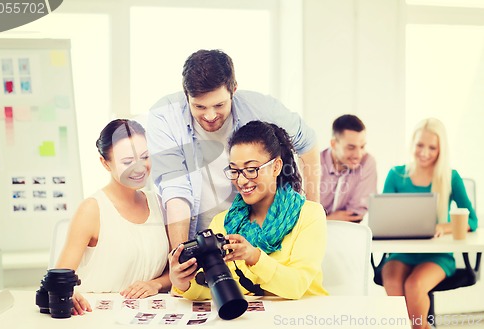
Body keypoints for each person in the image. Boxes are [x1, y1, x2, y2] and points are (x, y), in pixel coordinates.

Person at [147, 49, 320, 250]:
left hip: (259, 231)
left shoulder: (262, 109)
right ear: (186, 96)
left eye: (219, 105)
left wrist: (313, 213)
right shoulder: (165, 116)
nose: (210, 116)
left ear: (234, 90)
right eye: (199, 107)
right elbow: (175, 190)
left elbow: (308, 144)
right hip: (199, 232)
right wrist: (181, 254)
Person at [168, 121, 327, 299]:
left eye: (251, 170)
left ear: (276, 167)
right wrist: (183, 283)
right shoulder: (222, 222)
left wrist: (255, 257)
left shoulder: (310, 215)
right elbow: (218, 289)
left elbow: (297, 286)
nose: (242, 181)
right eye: (235, 170)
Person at [55, 119, 171, 315]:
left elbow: (175, 271)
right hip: (95, 316)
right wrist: (66, 292)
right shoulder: (92, 210)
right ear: (105, 163)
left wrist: (155, 285)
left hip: (148, 317)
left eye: (144, 157)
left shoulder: (159, 203)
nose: (139, 167)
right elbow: (58, 280)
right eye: (127, 162)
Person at [380, 118, 478, 329]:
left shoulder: (450, 177)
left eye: (432, 147)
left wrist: (444, 226)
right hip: (401, 253)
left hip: (437, 255)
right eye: (420, 145)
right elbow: (385, 218)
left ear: (441, 149)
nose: (424, 152)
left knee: (415, 286)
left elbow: (472, 220)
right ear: (412, 144)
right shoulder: (396, 175)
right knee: (393, 283)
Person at [320, 114, 377, 222]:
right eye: (351, 147)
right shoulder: (313, 164)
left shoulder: (367, 162)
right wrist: (330, 219)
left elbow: (355, 215)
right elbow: (303, 217)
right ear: (333, 144)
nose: (358, 155)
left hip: (349, 232)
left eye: (362, 147)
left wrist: (322, 220)